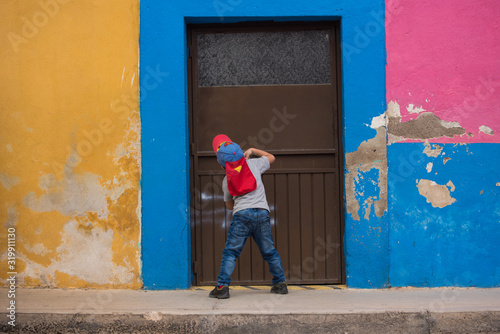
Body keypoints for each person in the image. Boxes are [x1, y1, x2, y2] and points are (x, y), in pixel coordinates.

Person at [209, 134, 288, 299]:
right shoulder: (254, 164)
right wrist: (252, 150)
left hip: (242, 215)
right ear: (240, 153)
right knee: (269, 251)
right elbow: (271, 157)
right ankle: (280, 284)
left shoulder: (226, 180)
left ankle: (222, 287)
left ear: (220, 162)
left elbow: (230, 205)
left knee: (231, 252)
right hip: (262, 212)